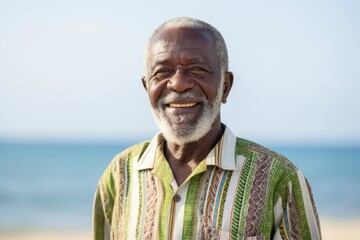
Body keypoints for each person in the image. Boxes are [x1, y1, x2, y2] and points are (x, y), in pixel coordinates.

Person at [93, 17, 321, 240]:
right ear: (147, 87)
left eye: (197, 69)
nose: (178, 83)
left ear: (225, 86)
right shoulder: (120, 175)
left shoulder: (279, 178)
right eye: (162, 72)